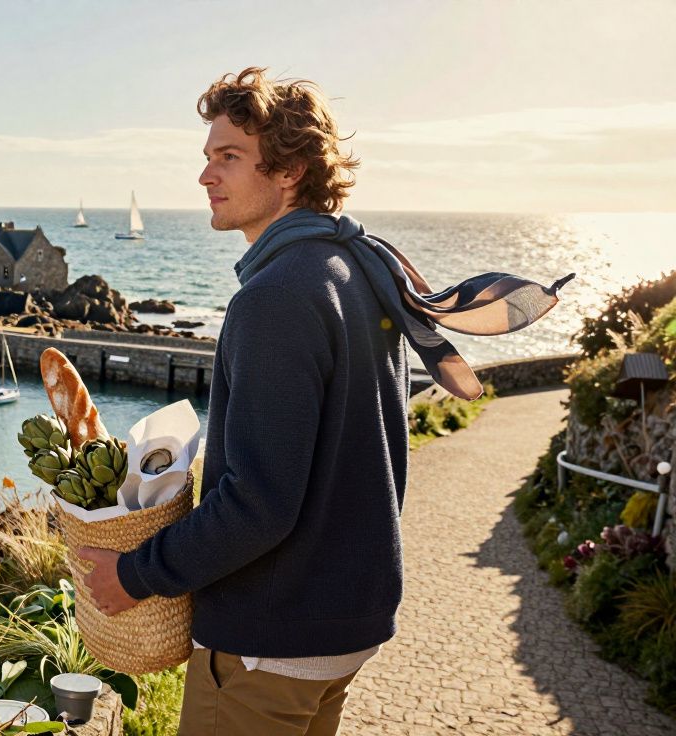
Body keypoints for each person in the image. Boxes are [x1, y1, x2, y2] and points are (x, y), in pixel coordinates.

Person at [75, 67, 571, 735]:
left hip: (267, 644)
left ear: (290, 171)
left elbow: (259, 503)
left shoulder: (276, 297)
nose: (205, 177)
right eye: (207, 157)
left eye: (229, 157)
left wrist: (134, 576)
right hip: (341, 628)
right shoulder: (359, 270)